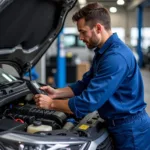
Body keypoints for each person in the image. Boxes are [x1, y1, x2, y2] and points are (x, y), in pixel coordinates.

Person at [33, 2, 150, 150]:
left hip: (131, 131)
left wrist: (50, 104)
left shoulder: (116, 57)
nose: (80, 37)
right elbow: (85, 84)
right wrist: (56, 93)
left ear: (98, 28)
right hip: (117, 124)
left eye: (83, 32)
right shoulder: (103, 52)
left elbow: (88, 102)